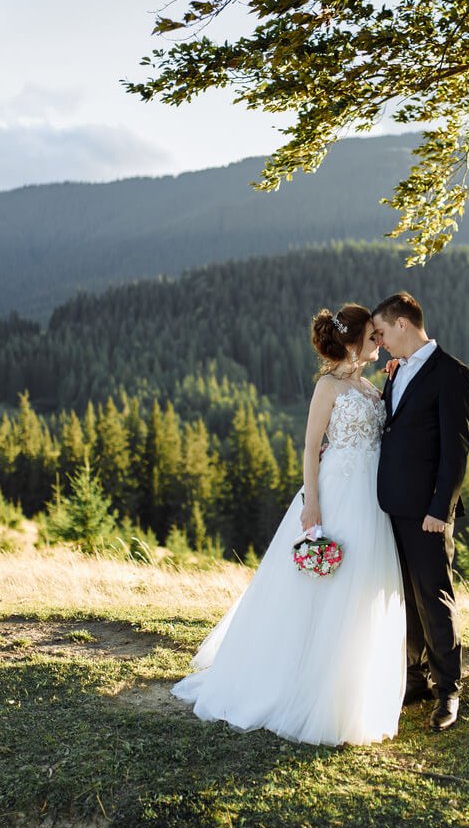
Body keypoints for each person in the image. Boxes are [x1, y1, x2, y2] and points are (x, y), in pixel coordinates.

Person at [171, 304, 406, 746]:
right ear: (354, 340)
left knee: (357, 587)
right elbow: (310, 446)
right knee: (323, 587)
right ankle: (299, 686)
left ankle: (347, 687)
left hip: (371, 500)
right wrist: (311, 503)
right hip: (337, 493)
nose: (379, 342)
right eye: (373, 336)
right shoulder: (329, 387)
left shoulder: (369, 385)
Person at [372, 292, 469, 732]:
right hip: (390, 506)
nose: (379, 342)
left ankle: (448, 689)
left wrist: (442, 509)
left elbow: (456, 451)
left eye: (380, 332)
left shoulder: (453, 374)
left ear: (402, 324)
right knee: (404, 597)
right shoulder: (396, 372)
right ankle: (413, 679)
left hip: (428, 511)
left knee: (434, 597)